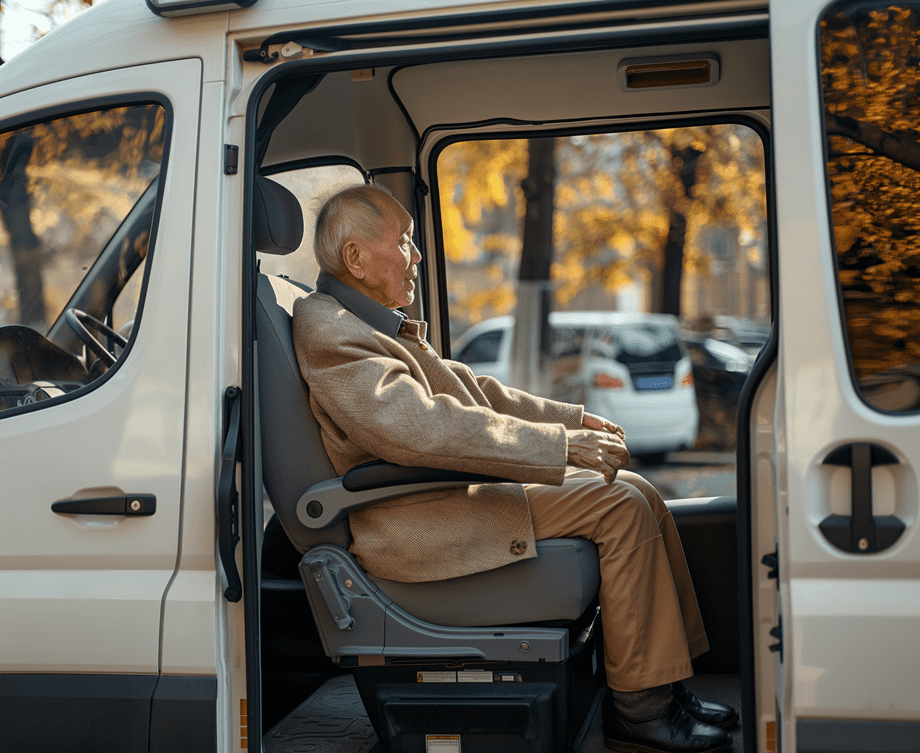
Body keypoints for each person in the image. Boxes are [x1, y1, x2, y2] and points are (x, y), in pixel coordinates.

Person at [291, 184, 738, 753]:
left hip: (445, 494)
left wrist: (574, 419)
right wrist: (558, 447)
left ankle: (667, 687)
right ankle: (640, 711)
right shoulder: (331, 331)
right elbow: (418, 427)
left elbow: (475, 392)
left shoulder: (371, 320)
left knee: (637, 489)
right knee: (618, 505)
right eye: (403, 241)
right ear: (356, 258)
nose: (417, 255)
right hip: (414, 518)